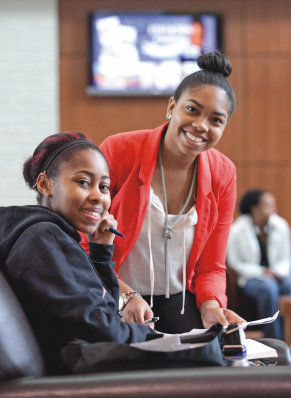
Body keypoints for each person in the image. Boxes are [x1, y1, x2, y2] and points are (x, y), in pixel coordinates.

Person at [88, 51, 245, 333]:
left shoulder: (224, 173)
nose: (201, 126)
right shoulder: (119, 151)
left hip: (179, 301)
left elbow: (212, 266)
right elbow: (82, 239)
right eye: (193, 110)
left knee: (207, 364)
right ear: (172, 105)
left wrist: (211, 304)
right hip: (109, 290)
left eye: (216, 120)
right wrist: (124, 295)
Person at [0, 132, 158, 375]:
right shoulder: (45, 240)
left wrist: (101, 251)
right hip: (74, 382)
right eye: (83, 182)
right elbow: (102, 330)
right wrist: (155, 336)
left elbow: (103, 313)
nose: (98, 196)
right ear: (44, 184)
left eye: (104, 186)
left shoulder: (51, 236)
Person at [227, 189, 291, 339]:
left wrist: (276, 272)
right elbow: (235, 262)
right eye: (268, 206)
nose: (274, 210)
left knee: (289, 283)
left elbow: (286, 258)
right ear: (254, 208)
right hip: (251, 278)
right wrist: (262, 272)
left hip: (278, 275)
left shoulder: (280, 225)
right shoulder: (237, 230)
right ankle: (274, 340)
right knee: (268, 288)